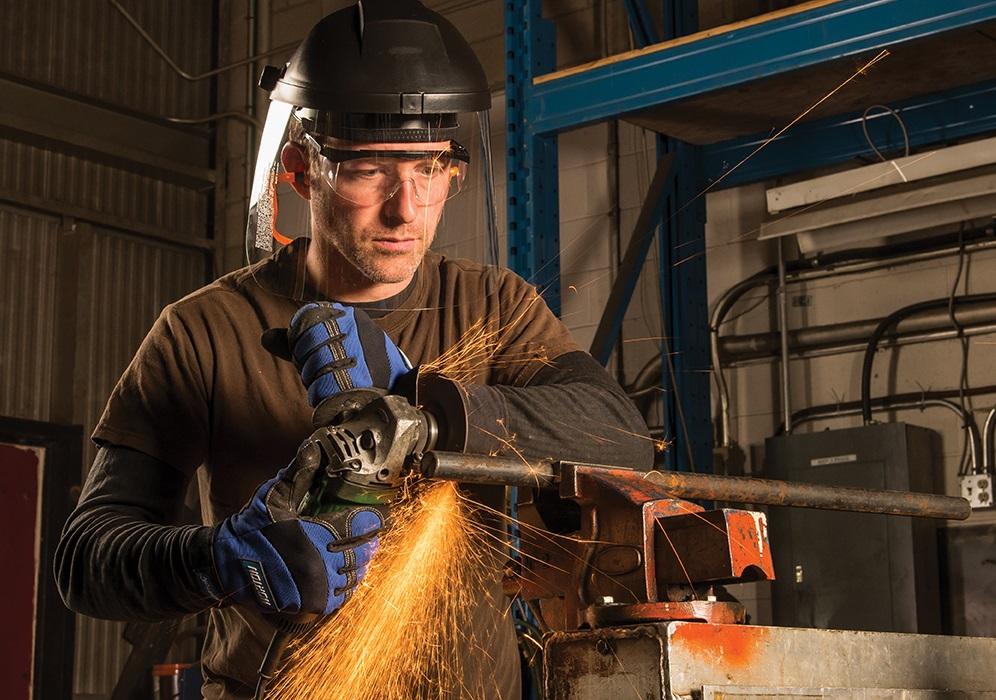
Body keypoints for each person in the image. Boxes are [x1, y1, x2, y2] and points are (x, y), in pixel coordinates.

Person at [55, 1, 653, 698]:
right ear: (302, 171)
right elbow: (85, 559)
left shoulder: (493, 307)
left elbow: (620, 433)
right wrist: (219, 559)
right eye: (370, 170)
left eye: (429, 169)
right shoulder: (205, 331)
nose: (407, 208)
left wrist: (426, 418)